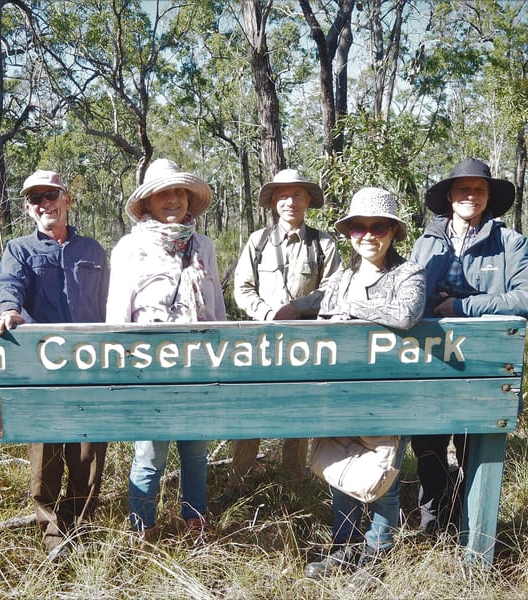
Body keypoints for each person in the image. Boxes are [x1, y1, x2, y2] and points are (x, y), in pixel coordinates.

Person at [410, 158, 528, 534]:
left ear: (488, 197)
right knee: (428, 445)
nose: (471, 195)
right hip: (430, 360)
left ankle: (474, 528)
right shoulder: (426, 243)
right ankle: (433, 525)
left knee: (476, 449)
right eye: (463, 189)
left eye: (479, 189)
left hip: (483, 364)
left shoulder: (509, 243)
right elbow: (408, 296)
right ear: (450, 196)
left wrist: (464, 306)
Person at [303, 187, 425, 590]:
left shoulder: (409, 273)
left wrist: (354, 311)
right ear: (349, 232)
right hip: (340, 389)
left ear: (392, 231)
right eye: (359, 227)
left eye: (378, 227)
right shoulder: (341, 277)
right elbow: (323, 317)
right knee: (340, 469)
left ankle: (378, 551)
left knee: (381, 477)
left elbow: (406, 315)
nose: (368, 235)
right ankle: (345, 545)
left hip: (388, 392)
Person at [0, 169, 109, 560]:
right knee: (46, 450)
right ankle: (53, 532)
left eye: (51, 195)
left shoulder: (92, 251)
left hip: (91, 365)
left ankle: (79, 525)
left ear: (67, 199)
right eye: (36, 198)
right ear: (28, 208)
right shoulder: (19, 249)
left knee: (89, 452)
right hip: (43, 368)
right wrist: (8, 310)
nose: (45, 203)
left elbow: (112, 302)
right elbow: (9, 286)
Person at [106, 158, 226, 541]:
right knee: (150, 456)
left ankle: (196, 527)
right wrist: (121, 370)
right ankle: (143, 531)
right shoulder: (130, 247)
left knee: (195, 454)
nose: (173, 199)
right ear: (148, 202)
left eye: (179, 192)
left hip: (199, 365)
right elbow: (117, 316)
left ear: (189, 200)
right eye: (163, 192)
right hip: (150, 368)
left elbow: (218, 308)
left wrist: (223, 361)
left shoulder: (203, 245)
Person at [227, 169, 340, 499]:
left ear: (308, 200)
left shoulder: (324, 243)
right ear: (274, 202)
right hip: (261, 343)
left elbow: (334, 288)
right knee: (251, 412)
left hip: (306, 344)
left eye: (298, 195)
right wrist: (267, 313)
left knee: (299, 414)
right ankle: (239, 487)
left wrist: (301, 306)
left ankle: (293, 489)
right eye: (283, 195)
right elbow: (243, 288)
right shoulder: (257, 241)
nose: (290, 201)